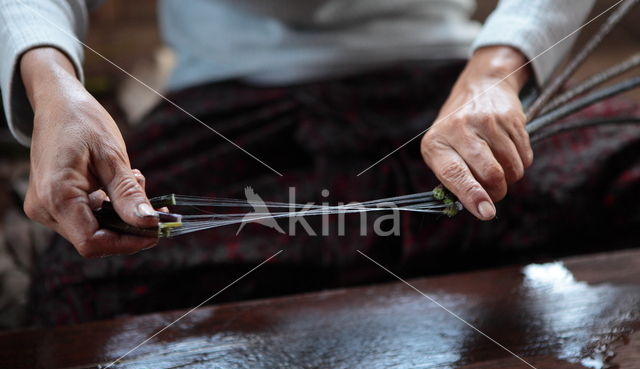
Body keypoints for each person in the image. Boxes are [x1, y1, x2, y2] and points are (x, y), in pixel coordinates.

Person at [6, 0, 640, 325]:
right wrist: (53, 83)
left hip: (443, 81)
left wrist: (499, 69)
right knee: (79, 280)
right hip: (228, 103)